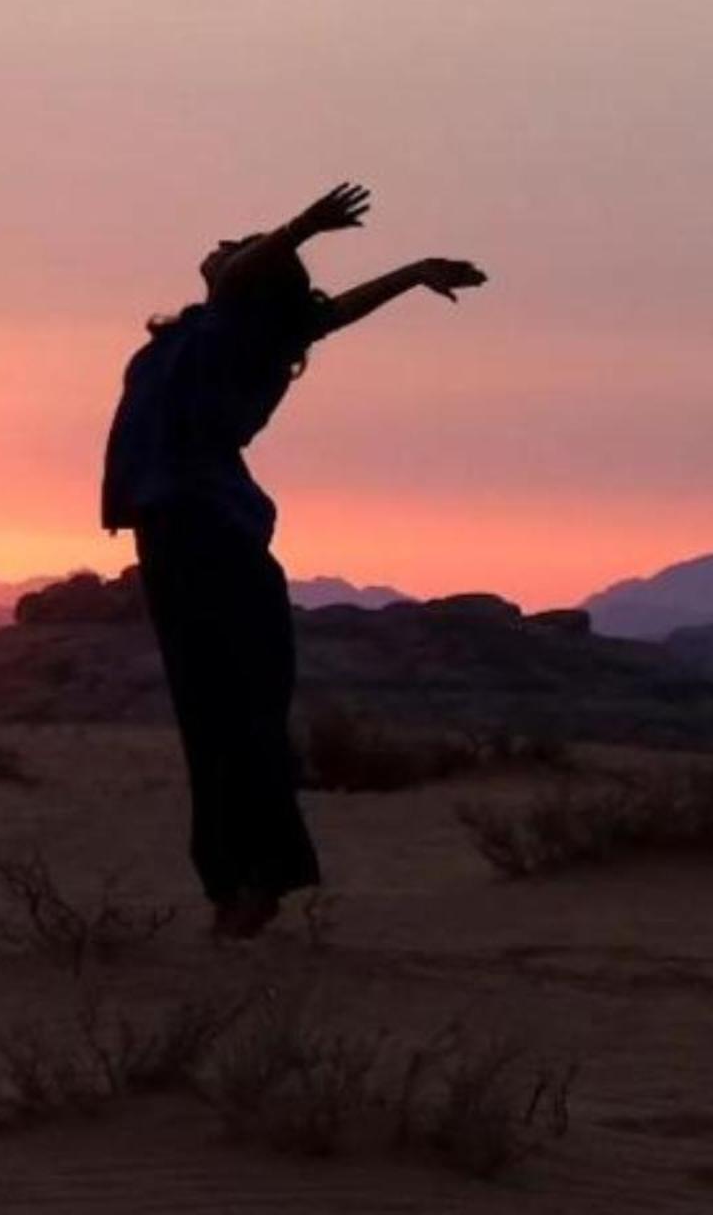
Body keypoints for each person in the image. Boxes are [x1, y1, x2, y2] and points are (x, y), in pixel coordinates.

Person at [101, 183, 485, 939]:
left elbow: (254, 276)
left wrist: (305, 228)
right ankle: (247, 883)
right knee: (229, 714)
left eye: (237, 247)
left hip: (203, 530)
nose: (223, 246)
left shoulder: (239, 328)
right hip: (198, 532)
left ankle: (247, 885)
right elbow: (329, 311)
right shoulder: (232, 331)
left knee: (226, 715)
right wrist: (410, 273)